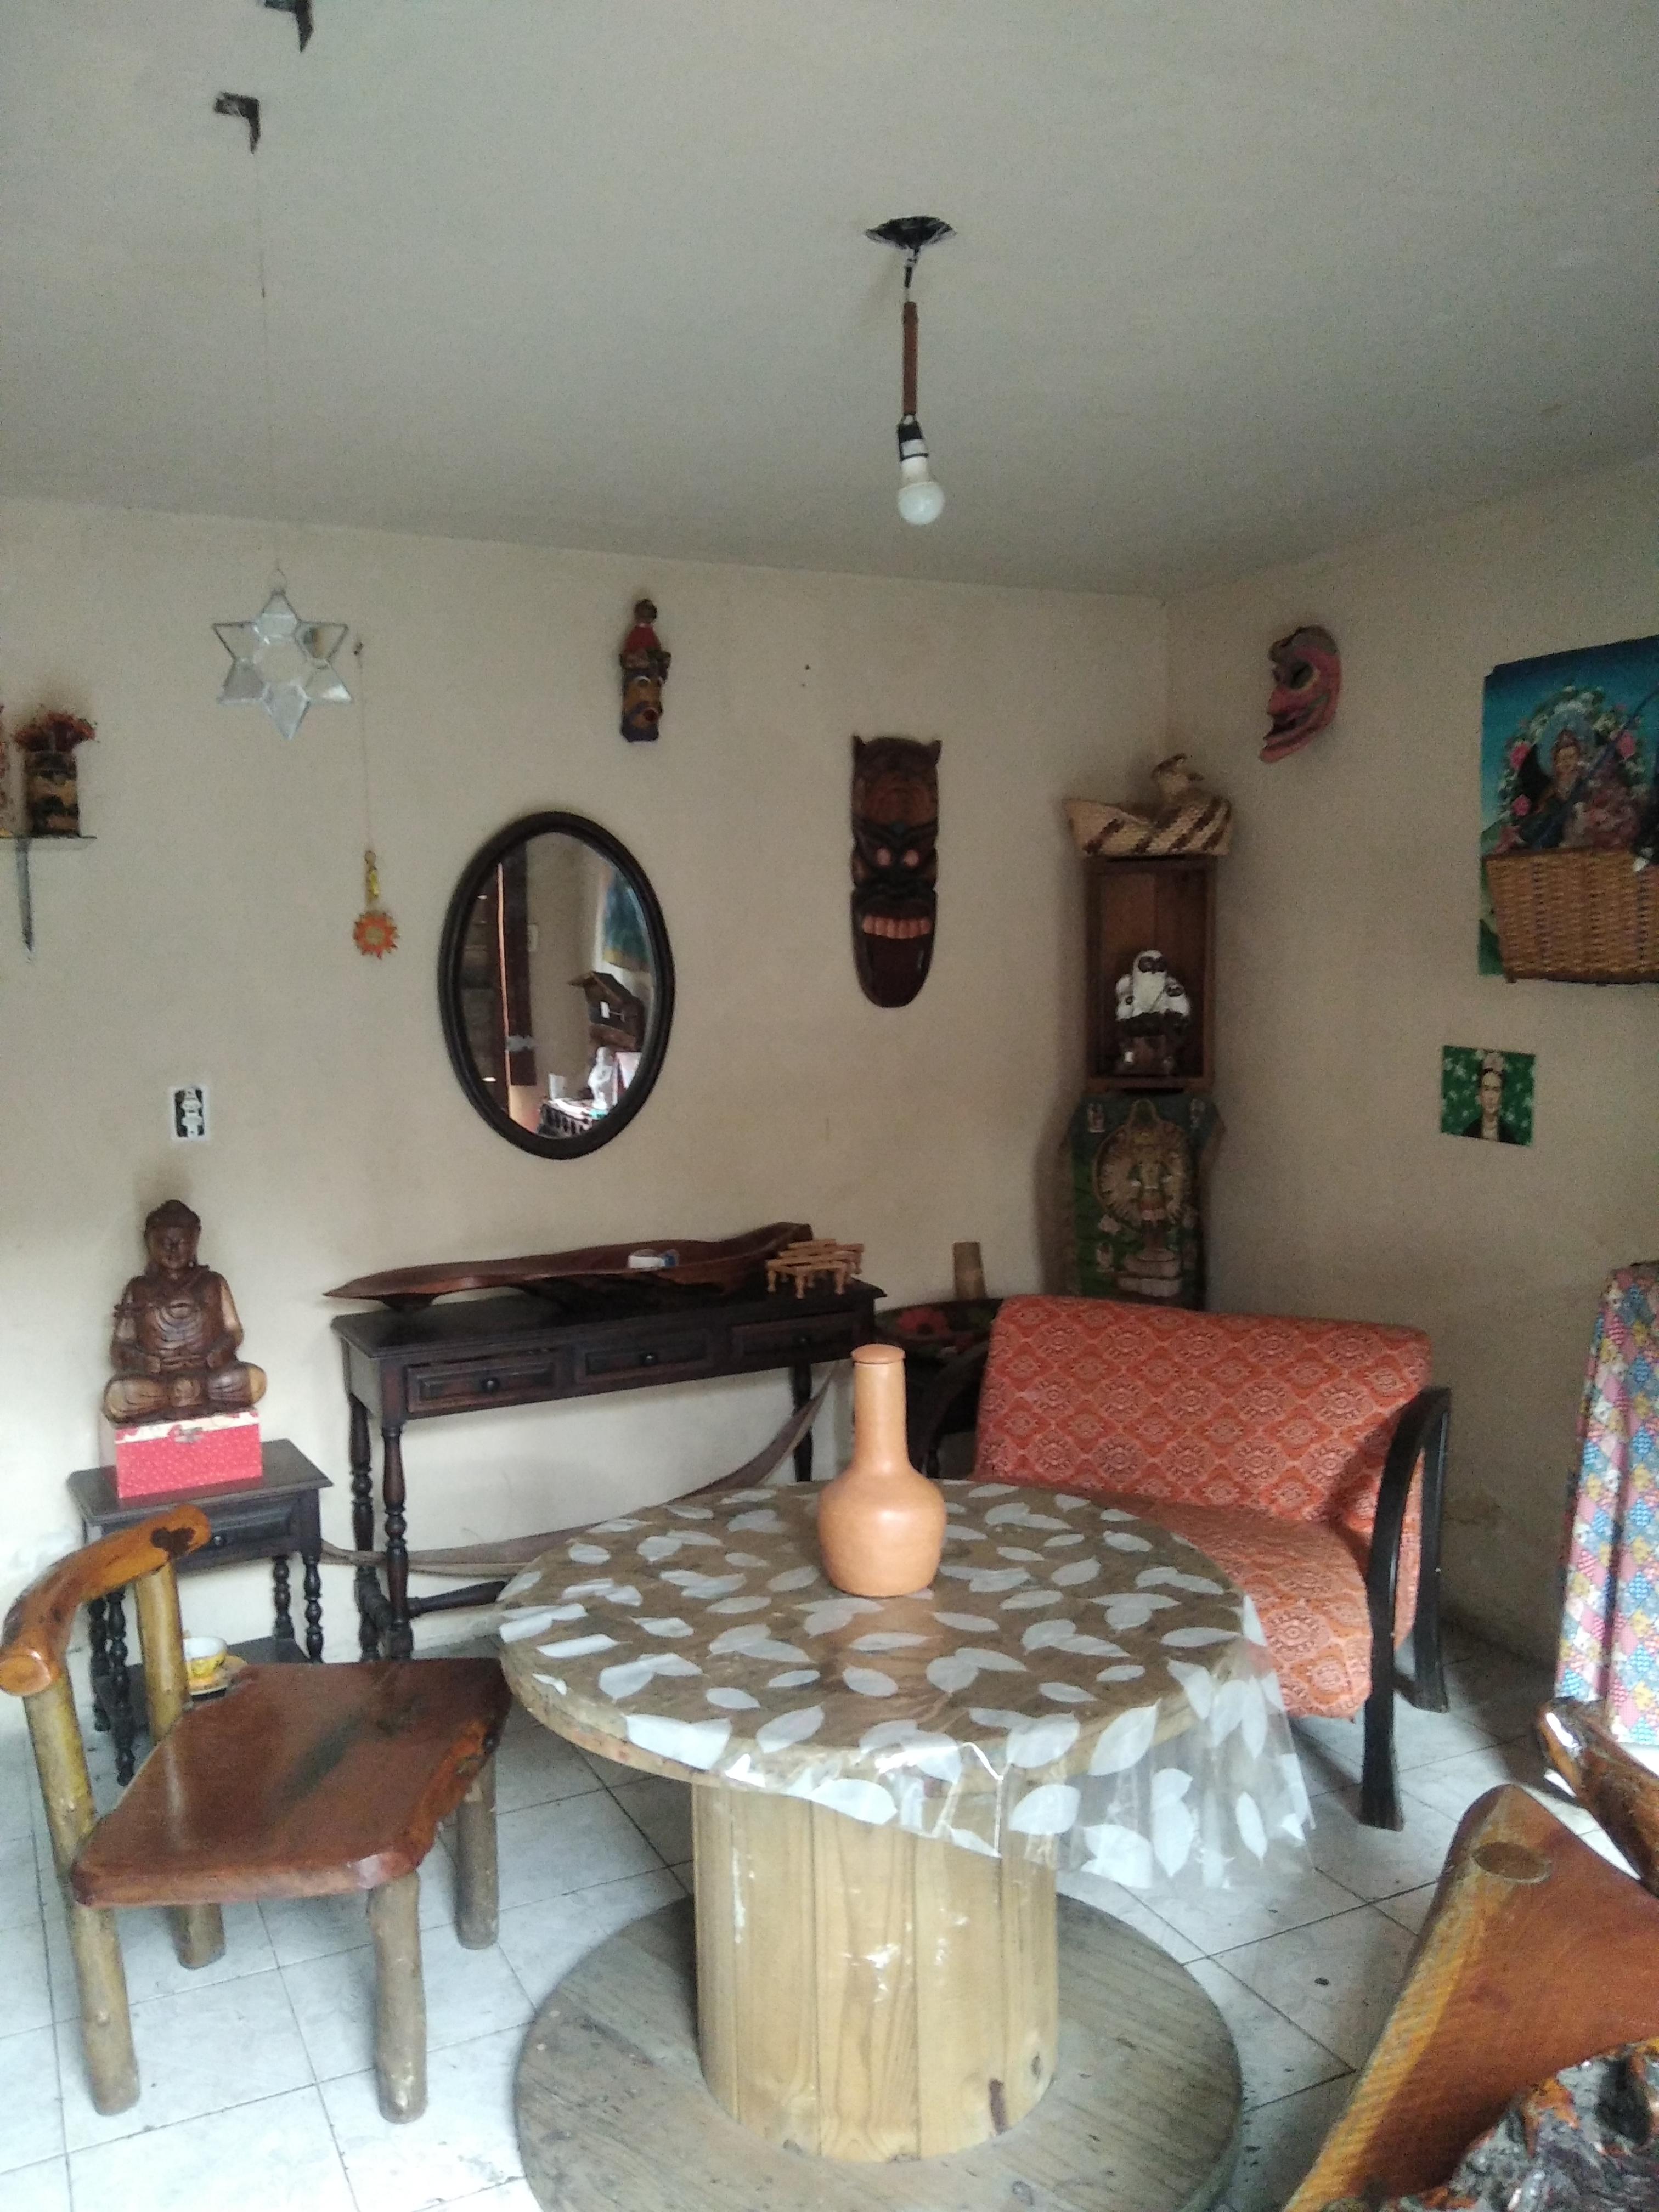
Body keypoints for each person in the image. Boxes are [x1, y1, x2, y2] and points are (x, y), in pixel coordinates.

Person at [103, 1200, 266, 1424]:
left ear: (196, 1240)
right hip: (159, 1383)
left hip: (209, 1378)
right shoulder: (139, 1288)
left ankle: (192, 1395)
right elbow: (120, 1347)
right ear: (149, 1241)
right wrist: (145, 1361)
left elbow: (235, 1331)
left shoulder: (213, 1283)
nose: (173, 1249)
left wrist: (219, 1353)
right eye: (164, 1242)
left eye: (182, 1242)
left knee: (254, 1380)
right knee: (118, 1396)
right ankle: (178, 1396)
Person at [1462, 1053, 1522, 1144]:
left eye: (1496, 1090)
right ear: (1480, 1094)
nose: (1491, 1097)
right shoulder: (1469, 1133)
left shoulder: (1510, 1138)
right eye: (1487, 1089)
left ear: (1502, 1095)